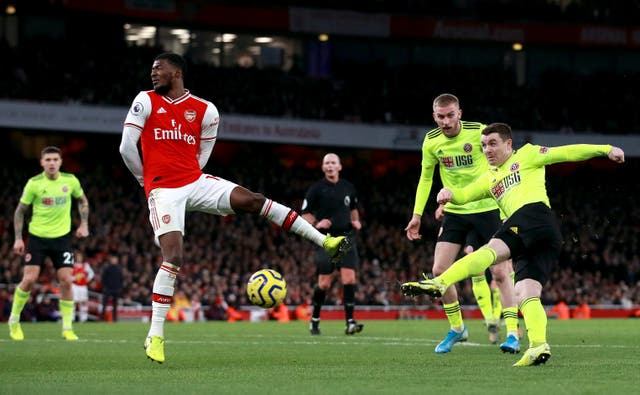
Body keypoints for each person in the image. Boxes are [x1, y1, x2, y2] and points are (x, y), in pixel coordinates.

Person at [119, 52, 350, 364]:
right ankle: (156, 335)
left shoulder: (206, 110)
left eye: (158, 67)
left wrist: (190, 180)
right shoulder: (145, 100)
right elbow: (125, 147)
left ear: (177, 72)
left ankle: (326, 241)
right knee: (173, 256)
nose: (153, 73)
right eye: (152, 68)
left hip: (194, 180)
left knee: (254, 199)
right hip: (162, 189)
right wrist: (146, 182)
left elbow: (203, 154)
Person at [402, 122, 625, 366]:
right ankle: (539, 345)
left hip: (534, 215)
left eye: (493, 143)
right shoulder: (490, 178)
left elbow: (567, 152)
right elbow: (466, 194)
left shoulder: (527, 155)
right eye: (484, 145)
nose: (487, 150)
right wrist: (449, 195)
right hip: (541, 238)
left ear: (509, 144)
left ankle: (440, 282)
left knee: (491, 251)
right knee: (526, 293)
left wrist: (605, 149)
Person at [404, 94, 519, 354]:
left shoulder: (478, 133)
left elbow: (501, 163)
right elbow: (425, 179)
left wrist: (507, 202)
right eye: (440, 116)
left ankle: (512, 333)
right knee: (439, 272)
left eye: (450, 115)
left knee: (500, 273)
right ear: (434, 116)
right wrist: (417, 215)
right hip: (455, 211)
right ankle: (457, 329)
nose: (445, 121)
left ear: (459, 113)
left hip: (486, 209)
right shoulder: (431, 141)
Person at [9, 146, 90, 341]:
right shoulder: (34, 183)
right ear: (42, 163)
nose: (52, 163)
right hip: (37, 236)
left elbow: (83, 201)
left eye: (55, 159)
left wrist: (84, 223)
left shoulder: (70, 181)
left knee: (66, 280)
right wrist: (19, 238)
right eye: (48, 160)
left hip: (62, 238)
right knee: (29, 279)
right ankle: (14, 320)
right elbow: (20, 211)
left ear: (60, 162)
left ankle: (67, 328)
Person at [301, 153, 363, 336]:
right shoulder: (316, 189)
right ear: (323, 167)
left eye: (333, 163)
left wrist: (356, 221)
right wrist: (317, 223)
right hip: (325, 239)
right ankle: (315, 318)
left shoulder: (348, 187)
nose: (329, 166)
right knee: (324, 284)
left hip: (346, 237)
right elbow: (305, 213)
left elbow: (353, 209)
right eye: (326, 163)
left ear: (339, 166)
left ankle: (350, 322)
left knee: (349, 279)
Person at [72, 250, 95, 322]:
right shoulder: (72, 265)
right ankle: (72, 318)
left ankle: (83, 319)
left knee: (83, 302)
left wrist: (87, 279)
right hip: (74, 286)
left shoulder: (86, 265)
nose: (79, 258)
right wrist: (74, 278)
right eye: (78, 257)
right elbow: (69, 275)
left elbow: (91, 273)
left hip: (83, 286)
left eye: (80, 257)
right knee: (73, 302)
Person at [101, 255, 123, 322]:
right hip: (108, 288)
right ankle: (102, 318)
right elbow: (103, 278)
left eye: (115, 259)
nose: (114, 260)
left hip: (116, 289)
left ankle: (115, 318)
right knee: (104, 303)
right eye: (113, 259)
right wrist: (104, 286)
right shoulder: (107, 268)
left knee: (115, 304)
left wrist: (120, 287)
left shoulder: (119, 269)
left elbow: (121, 279)